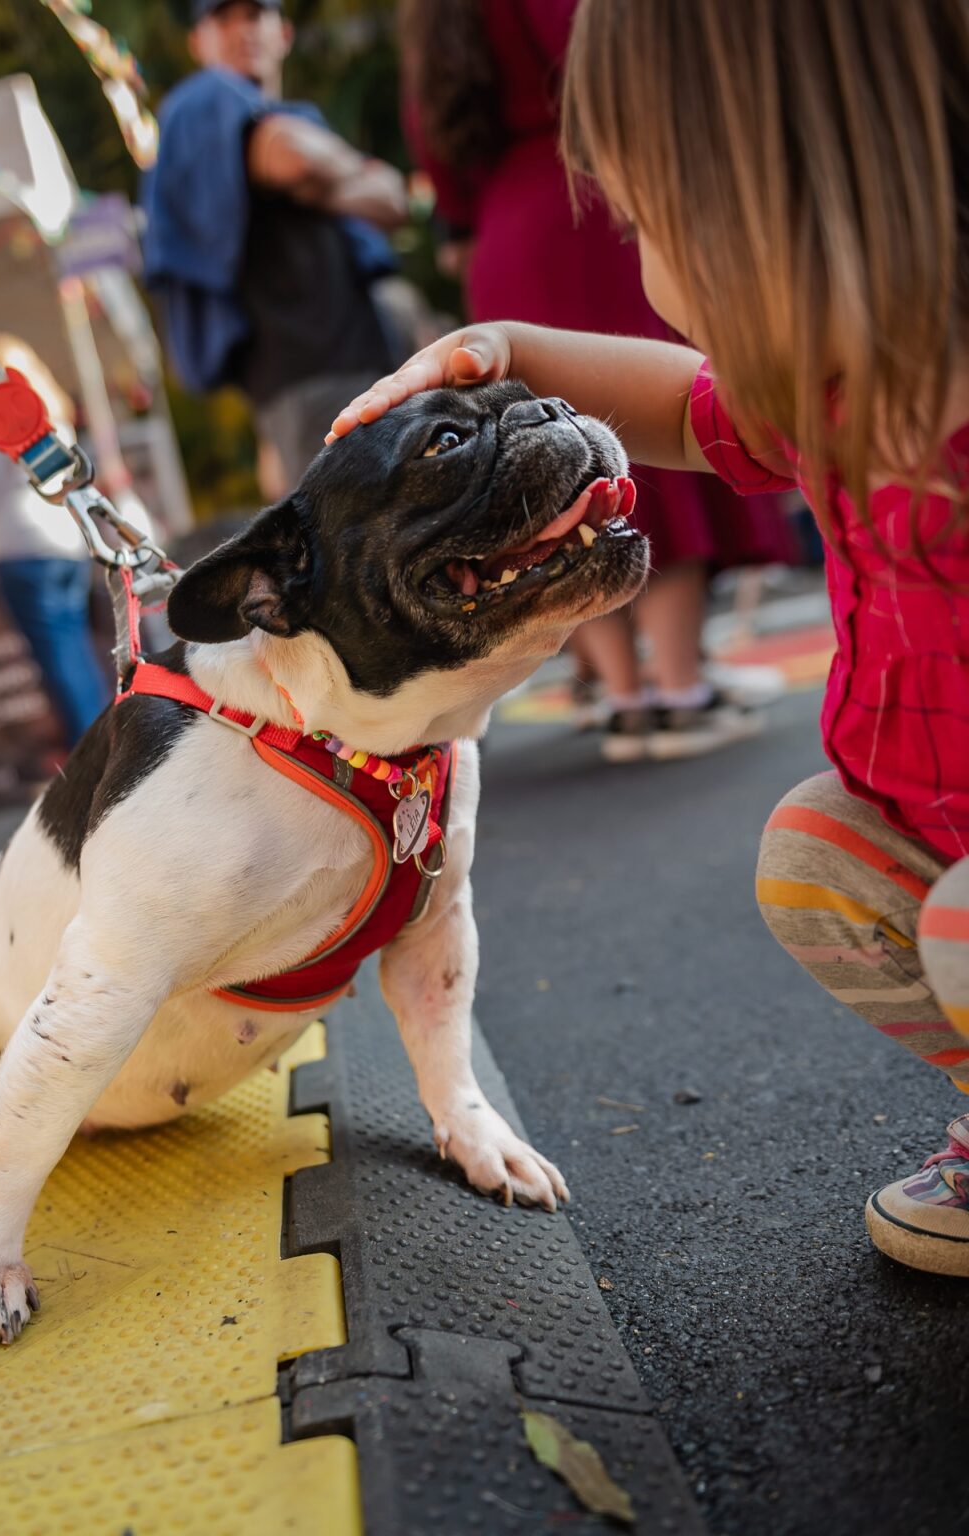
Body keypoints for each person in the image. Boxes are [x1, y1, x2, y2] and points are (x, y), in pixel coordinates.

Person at [328, 0, 969, 1277]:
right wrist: (506, 353)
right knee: (815, 853)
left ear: (759, 204)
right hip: (939, 830)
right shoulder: (841, 388)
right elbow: (683, 401)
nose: (641, 263)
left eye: (643, 224)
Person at [398, 0, 797, 763]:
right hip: (584, 204)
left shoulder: (433, 21)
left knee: (551, 471)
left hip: (502, 233)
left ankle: (624, 696)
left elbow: (437, 150)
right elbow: (608, 64)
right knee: (641, 446)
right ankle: (681, 685)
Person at [141, 0, 410, 494]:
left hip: (364, 364)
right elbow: (293, 157)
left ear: (283, 32)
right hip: (309, 380)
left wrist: (319, 180)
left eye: (255, 14)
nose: (243, 30)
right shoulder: (203, 100)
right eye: (223, 18)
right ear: (197, 42)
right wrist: (346, 174)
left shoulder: (291, 114)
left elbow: (394, 200)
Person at [0, 335, 111, 750]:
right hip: (65, 540)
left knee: (59, 660)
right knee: (78, 651)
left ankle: (94, 752)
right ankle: (110, 742)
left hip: (21, 544)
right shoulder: (53, 412)